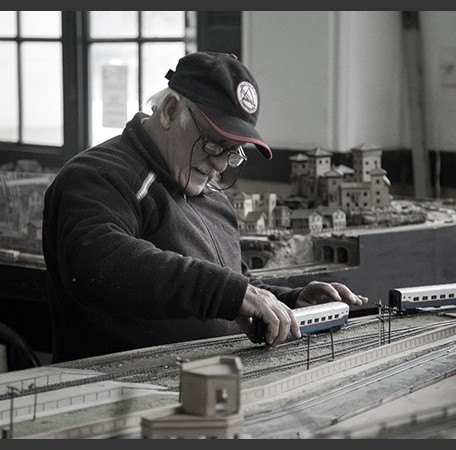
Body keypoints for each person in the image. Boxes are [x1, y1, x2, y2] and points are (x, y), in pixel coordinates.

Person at [42, 52, 368, 363]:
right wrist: (229, 292)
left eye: (234, 153)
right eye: (212, 143)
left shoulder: (213, 198)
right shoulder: (97, 177)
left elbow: (232, 286)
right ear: (170, 110)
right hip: (122, 393)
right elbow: (101, 260)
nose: (221, 165)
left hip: (210, 382)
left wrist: (288, 300)